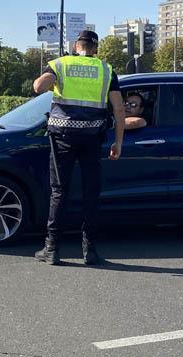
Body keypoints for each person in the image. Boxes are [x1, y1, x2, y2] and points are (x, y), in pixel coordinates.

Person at [32, 30, 124, 265]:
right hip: (92, 136)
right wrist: (118, 142)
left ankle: (52, 249)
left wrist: (52, 75)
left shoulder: (61, 64)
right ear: (96, 49)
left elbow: (38, 87)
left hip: (62, 136)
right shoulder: (106, 70)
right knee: (91, 192)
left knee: (59, 191)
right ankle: (90, 250)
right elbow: (119, 109)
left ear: (76, 46)